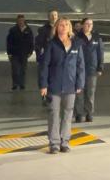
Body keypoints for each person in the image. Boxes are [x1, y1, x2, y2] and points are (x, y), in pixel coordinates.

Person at [38, 17, 85, 154]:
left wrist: (80, 83)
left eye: (66, 25)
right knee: (53, 114)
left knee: (68, 115)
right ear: (56, 28)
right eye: (61, 25)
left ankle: (65, 142)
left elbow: (80, 65)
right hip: (54, 86)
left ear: (70, 28)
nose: (63, 27)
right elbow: (44, 66)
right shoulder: (51, 44)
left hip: (70, 86)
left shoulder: (76, 44)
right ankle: (54, 144)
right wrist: (43, 85)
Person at [74, 18, 104, 122]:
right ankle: (79, 113)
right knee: (79, 92)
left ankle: (89, 112)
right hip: (79, 69)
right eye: (87, 24)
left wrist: (100, 67)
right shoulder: (77, 37)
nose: (89, 26)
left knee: (90, 92)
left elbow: (100, 53)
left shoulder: (96, 37)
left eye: (91, 24)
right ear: (82, 25)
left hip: (92, 69)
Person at [6, 14, 34, 90]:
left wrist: (30, 51)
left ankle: (22, 84)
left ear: (24, 21)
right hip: (14, 54)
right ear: (17, 21)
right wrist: (9, 53)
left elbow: (31, 41)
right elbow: (9, 42)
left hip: (24, 54)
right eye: (19, 20)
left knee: (23, 70)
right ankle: (15, 84)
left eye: (22, 20)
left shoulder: (28, 30)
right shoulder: (13, 30)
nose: (21, 22)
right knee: (15, 70)